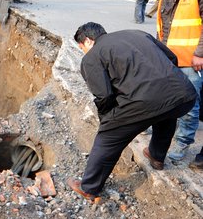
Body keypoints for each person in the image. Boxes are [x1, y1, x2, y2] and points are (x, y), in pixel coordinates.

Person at [67, 22, 196, 201]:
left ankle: (89, 187)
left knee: (108, 137)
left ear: (88, 41)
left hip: (146, 100)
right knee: (167, 111)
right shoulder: (138, 33)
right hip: (184, 94)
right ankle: (157, 156)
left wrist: (107, 121)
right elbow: (172, 58)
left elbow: (104, 96)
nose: (83, 52)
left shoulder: (92, 56)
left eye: (82, 48)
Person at [156, 0, 203, 161]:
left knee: (190, 107)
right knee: (164, 100)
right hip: (168, 59)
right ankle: (159, 138)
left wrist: (200, 54)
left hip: (192, 63)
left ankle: (183, 143)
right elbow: (164, 27)